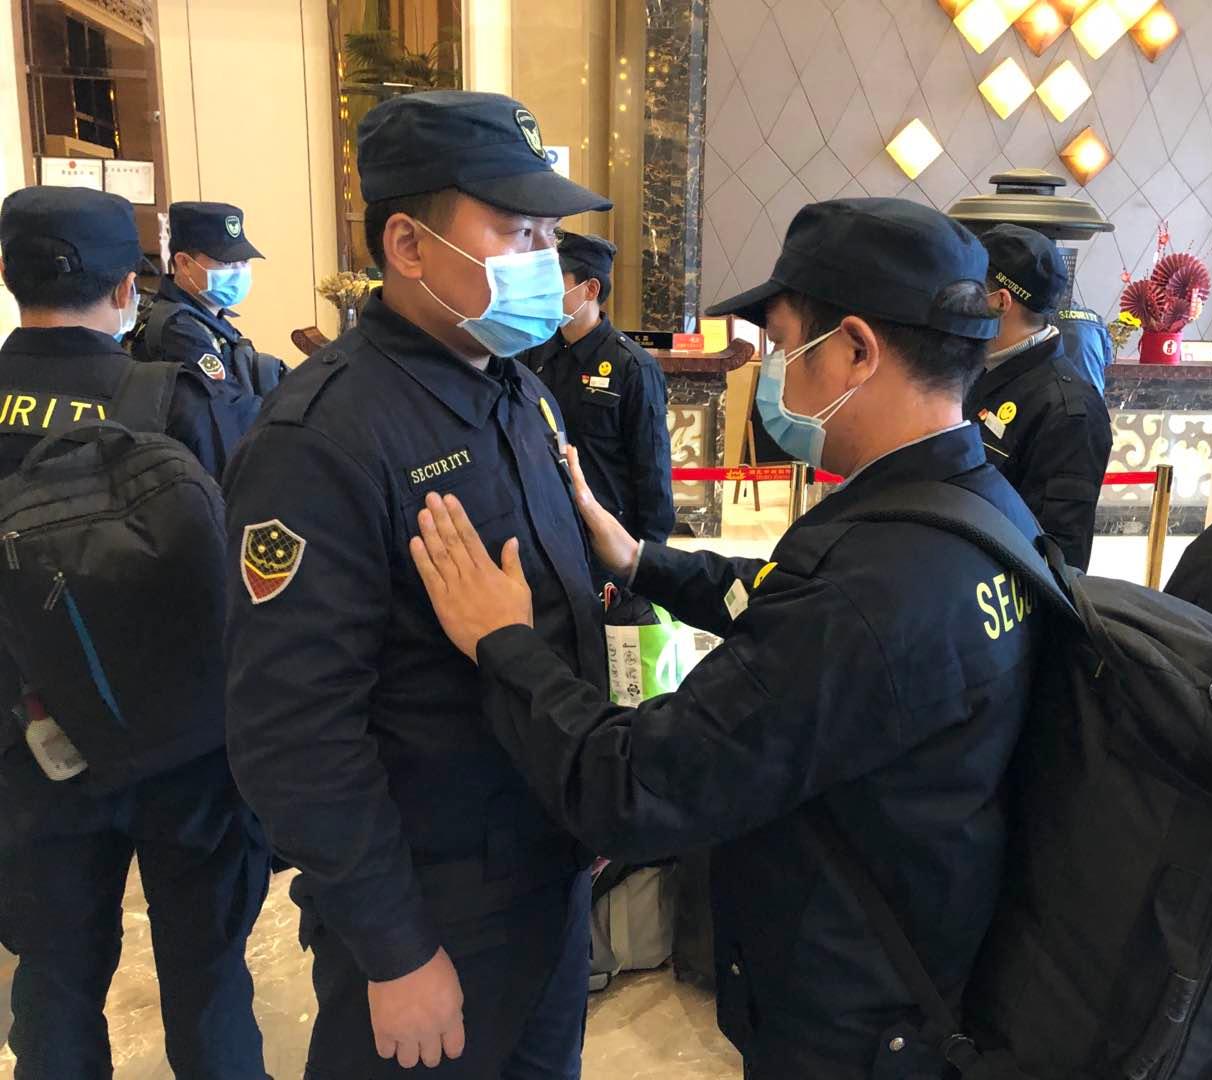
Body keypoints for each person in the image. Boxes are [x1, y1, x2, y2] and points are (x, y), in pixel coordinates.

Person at [407, 197, 1044, 1080]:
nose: (773, 370)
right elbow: (780, 602)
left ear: (857, 350)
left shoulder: (874, 587)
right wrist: (640, 559)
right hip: (922, 957)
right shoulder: (979, 509)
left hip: (849, 1018)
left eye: (783, 344)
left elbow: (637, 786)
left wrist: (505, 642)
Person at [221, 90, 612, 1078]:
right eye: (516, 231)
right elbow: (294, 729)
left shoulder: (517, 390)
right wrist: (394, 947)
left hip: (548, 872)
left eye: (549, 235)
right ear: (407, 244)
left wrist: (591, 805)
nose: (544, 259)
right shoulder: (324, 438)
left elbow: (556, 611)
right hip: (434, 907)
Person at [0, 186, 269, 1078]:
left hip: (28, 746)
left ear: (6, 274)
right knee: (209, 978)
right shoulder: (171, 398)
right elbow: (242, 558)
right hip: (183, 745)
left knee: (54, 984)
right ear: (128, 289)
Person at [520, 232, 675, 558]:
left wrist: (649, 561)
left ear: (590, 289)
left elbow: (652, 474)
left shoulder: (632, 367)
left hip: (607, 538)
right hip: (548, 528)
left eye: (555, 280)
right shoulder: (534, 354)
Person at [967, 224, 1112, 571]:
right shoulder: (975, 371)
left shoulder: (1069, 412)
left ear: (1000, 302)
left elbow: (1058, 557)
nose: (962, 305)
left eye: (970, 292)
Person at [132, 200, 285, 399]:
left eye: (244, 261)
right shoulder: (178, 331)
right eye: (227, 263)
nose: (239, 271)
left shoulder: (208, 317)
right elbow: (227, 406)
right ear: (185, 263)